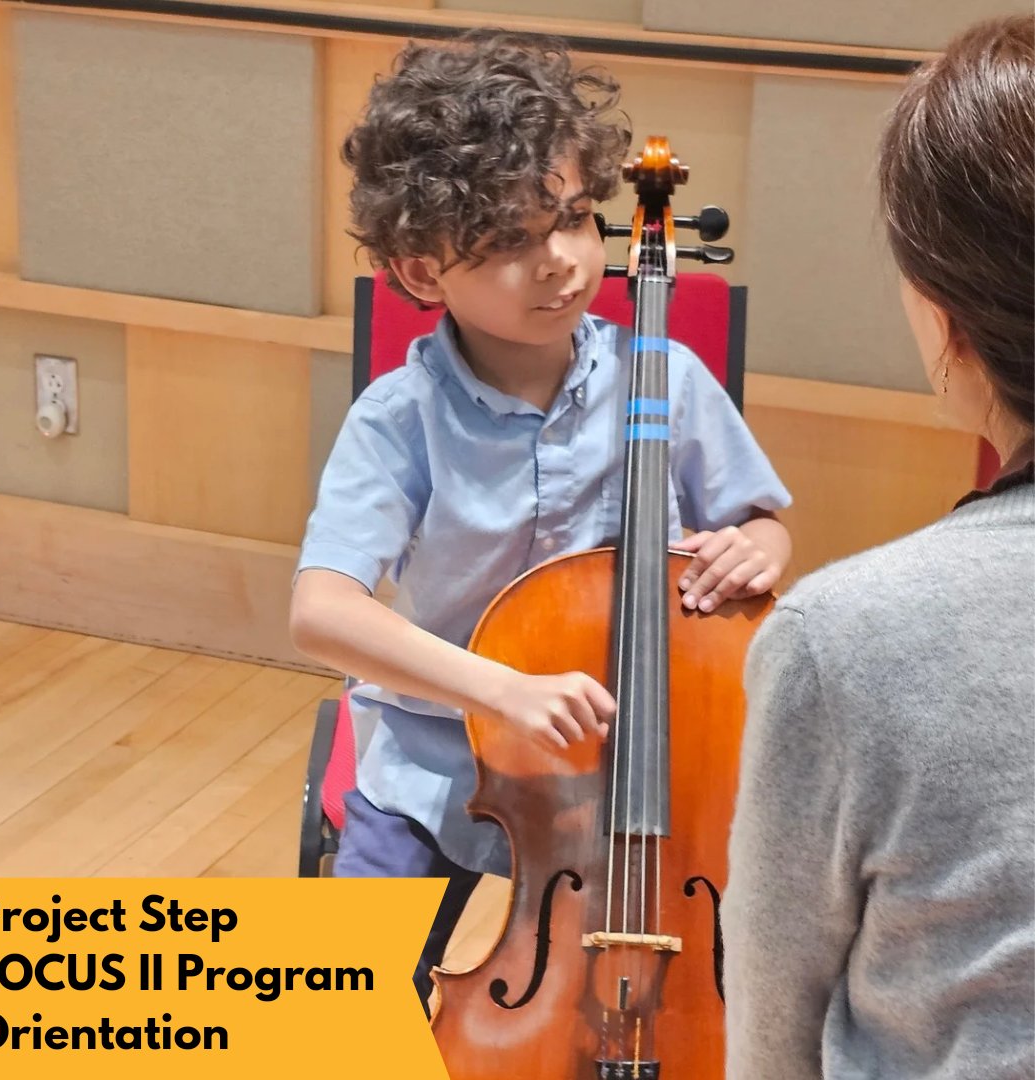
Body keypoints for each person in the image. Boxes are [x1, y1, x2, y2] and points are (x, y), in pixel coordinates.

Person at [290, 31, 792, 1013]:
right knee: (334, 1001)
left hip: (626, 774)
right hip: (436, 762)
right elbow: (321, 612)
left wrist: (755, 548)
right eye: (511, 243)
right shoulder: (402, 419)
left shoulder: (664, 380)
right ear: (423, 271)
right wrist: (502, 692)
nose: (561, 262)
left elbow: (763, 521)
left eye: (572, 219)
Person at [723, 15, 1034, 1078]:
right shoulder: (402, 412)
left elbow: (774, 1032)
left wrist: (761, 540)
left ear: (947, 321)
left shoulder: (847, 640)